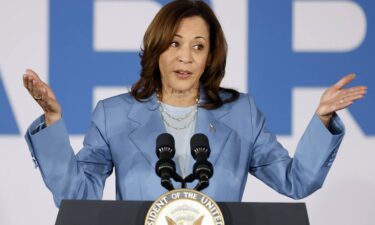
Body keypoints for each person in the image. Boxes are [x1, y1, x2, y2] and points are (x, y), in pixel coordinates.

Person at [23, 0, 367, 207]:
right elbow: (77, 198)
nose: (185, 57)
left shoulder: (241, 113)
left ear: (209, 56)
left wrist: (322, 119)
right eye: (174, 44)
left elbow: (296, 181)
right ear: (156, 49)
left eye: (198, 46)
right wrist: (53, 120)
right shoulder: (112, 115)